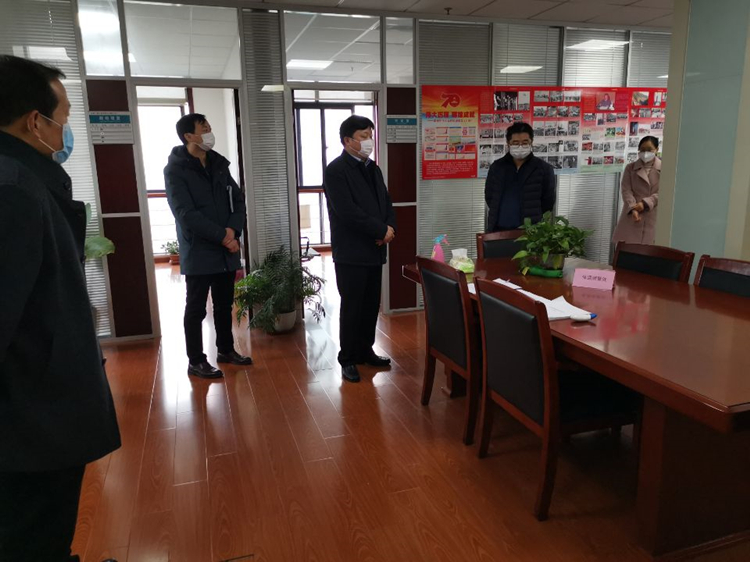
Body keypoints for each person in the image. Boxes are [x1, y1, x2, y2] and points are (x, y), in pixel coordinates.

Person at [0, 55, 121, 562]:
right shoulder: (12, 189)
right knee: (34, 530)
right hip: (32, 413)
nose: (65, 129)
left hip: (38, 405)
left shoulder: (27, 177)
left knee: (43, 529)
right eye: (64, 117)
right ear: (35, 121)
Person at [164, 113, 252, 379]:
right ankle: (196, 360)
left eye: (209, 127)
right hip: (199, 249)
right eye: (204, 129)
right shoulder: (175, 170)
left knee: (224, 304)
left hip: (225, 248)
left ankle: (226, 350)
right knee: (196, 309)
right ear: (188, 136)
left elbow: (238, 200)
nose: (209, 133)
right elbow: (185, 214)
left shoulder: (218, 164)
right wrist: (223, 236)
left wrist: (233, 230)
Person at [323, 115, 396, 383]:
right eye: (363, 136)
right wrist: (379, 230)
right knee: (352, 306)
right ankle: (348, 358)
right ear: (347, 140)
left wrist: (389, 228)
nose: (369, 141)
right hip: (352, 251)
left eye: (370, 135)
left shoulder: (373, 168)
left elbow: (386, 202)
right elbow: (347, 212)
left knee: (370, 305)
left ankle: (366, 350)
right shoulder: (336, 170)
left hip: (375, 249)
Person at [484, 121, 556, 232]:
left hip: (530, 232)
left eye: (525, 142)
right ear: (508, 143)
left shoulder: (544, 169)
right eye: (515, 143)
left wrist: (534, 219)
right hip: (498, 231)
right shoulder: (497, 167)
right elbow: (490, 196)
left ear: (531, 142)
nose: (520, 146)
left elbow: (548, 202)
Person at [612, 136, 661, 245]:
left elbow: (664, 192)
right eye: (642, 150)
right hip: (632, 216)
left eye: (649, 150)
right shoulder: (630, 168)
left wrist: (645, 203)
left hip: (653, 216)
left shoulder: (664, 169)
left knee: (650, 250)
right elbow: (626, 190)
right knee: (628, 250)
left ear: (657, 149)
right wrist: (633, 207)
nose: (645, 153)